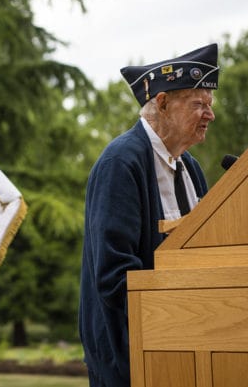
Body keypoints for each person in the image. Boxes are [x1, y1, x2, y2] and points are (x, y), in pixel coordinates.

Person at [78, 43, 219, 386]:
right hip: (131, 358)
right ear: (162, 103)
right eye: (199, 104)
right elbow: (115, 277)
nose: (210, 115)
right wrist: (180, 317)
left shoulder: (191, 168)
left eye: (210, 106)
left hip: (184, 347)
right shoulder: (120, 163)